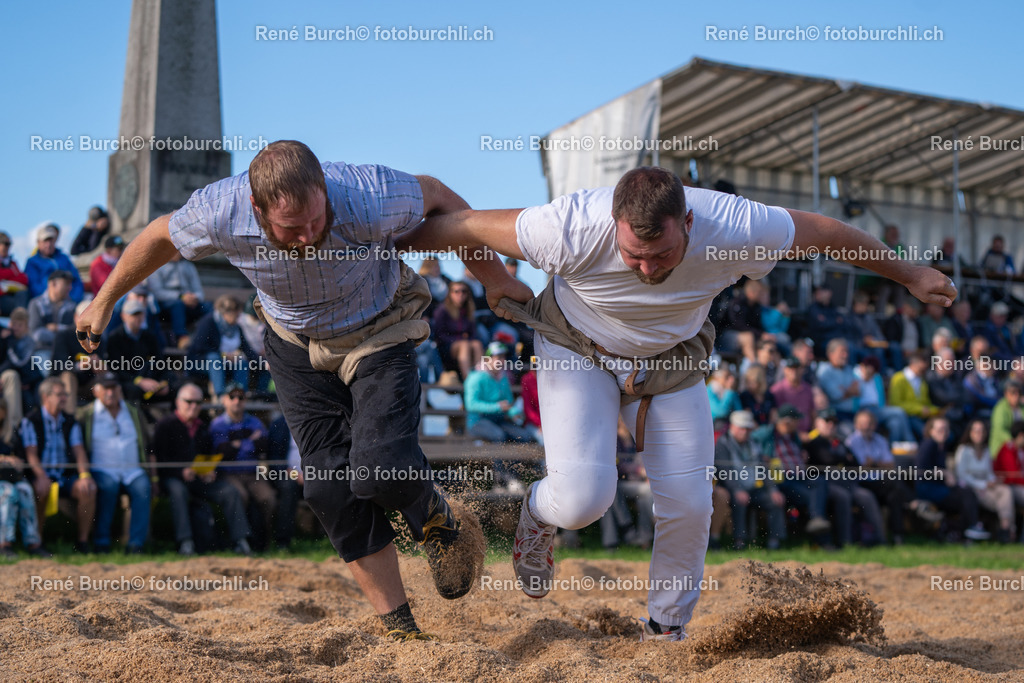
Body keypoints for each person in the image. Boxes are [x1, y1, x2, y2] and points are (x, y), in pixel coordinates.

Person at [400, 165, 956, 640]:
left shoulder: (736, 226)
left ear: (688, 221)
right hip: (578, 347)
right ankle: (539, 512)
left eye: (662, 254)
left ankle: (666, 626)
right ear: (613, 223)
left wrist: (910, 273)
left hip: (672, 358)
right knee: (583, 498)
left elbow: (827, 232)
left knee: (691, 503)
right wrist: (445, 265)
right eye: (634, 255)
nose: (648, 269)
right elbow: (458, 224)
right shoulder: (567, 226)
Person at [76, 140, 514, 639]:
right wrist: (104, 301)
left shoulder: (366, 192)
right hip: (295, 342)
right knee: (327, 487)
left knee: (380, 468)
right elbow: (160, 234)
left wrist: (494, 278)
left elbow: (440, 198)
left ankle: (435, 516)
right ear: (257, 209)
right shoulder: (222, 210)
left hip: (380, 327)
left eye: (316, 220)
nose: (307, 236)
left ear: (324, 189)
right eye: (290, 228)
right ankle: (401, 630)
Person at [151, 383, 251, 556]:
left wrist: (210, 472)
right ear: (178, 402)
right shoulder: (165, 425)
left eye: (198, 402)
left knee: (229, 491)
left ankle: (241, 541)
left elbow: (209, 455)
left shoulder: (203, 426)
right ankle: (185, 543)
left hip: (199, 480)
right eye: (189, 401)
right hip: (172, 479)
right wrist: (181, 472)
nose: (194, 406)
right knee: (178, 491)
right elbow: (158, 459)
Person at [78, 373, 153, 553]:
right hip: (102, 470)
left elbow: (147, 442)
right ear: (96, 391)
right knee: (108, 487)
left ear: (119, 389)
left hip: (132, 470)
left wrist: (152, 474)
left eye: (113, 388)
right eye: (106, 388)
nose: (110, 393)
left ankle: (136, 544)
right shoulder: (86, 414)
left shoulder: (133, 411)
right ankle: (102, 542)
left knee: (144, 487)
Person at [21, 377, 96, 552]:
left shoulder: (70, 421)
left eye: (65, 394)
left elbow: (79, 451)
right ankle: (37, 542)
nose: (64, 398)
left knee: (88, 489)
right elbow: (31, 454)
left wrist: (85, 476)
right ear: (45, 397)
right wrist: (41, 477)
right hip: (41, 475)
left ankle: (83, 542)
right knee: (41, 489)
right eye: (59, 394)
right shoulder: (31, 420)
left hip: (65, 476)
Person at [805, 408, 887, 546]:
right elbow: (827, 460)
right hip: (825, 484)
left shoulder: (839, 442)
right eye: (827, 421)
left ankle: (880, 539)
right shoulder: (814, 443)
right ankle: (845, 541)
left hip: (846, 482)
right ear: (817, 423)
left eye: (834, 422)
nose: (831, 425)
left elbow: (854, 464)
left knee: (866, 496)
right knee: (843, 497)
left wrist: (840, 459)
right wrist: (842, 458)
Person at [209, 383, 274, 550]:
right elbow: (223, 451)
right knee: (240, 496)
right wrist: (250, 441)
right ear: (224, 400)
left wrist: (236, 444)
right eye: (232, 397)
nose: (236, 401)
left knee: (268, 498)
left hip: (253, 473)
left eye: (240, 397)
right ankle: (239, 541)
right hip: (228, 474)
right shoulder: (217, 424)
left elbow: (263, 445)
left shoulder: (255, 421)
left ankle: (263, 544)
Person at [713, 410, 785, 550]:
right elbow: (724, 471)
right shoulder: (722, 443)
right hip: (730, 488)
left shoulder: (753, 444)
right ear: (732, 427)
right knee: (739, 500)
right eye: (742, 428)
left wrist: (773, 489)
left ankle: (775, 542)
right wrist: (737, 489)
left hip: (752, 488)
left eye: (747, 428)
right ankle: (739, 541)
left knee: (775, 500)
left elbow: (762, 469)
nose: (745, 432)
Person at [844, 409, 915, 544]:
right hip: (862, 482)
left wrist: (874, 463)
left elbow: (890, 465)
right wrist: (877, 464)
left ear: (874, 425)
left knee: (895, 494)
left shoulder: (880, 440)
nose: (866, 427)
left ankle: (897, 535)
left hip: (882, 482)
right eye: (863, 423)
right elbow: (861, 468)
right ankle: (912, 502)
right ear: (856, 425)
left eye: (869, 423)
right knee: (894, 484)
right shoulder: (852, 442)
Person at [915, 416, 988, 542]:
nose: (943, 432)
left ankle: (968, 529)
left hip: (939, 487)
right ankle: (968, 529)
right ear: (931, 431)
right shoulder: (929, 444)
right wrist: (944, 473)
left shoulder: (941, 446)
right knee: (964, 496)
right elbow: (921, 471)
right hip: (927, 488)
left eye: (946, 429)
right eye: (940, 429)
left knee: (966, 492)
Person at [0, 397, 50, 558]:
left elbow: (22, 456)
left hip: (11, 477)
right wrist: (4, 459)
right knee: (9, 493)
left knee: (26, 491)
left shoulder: (11, 432)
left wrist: (17, 461)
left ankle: (33, 542)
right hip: (3, 483)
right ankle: (4, 543)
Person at [955, 419, 1015, 543]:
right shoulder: (963, 450)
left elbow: (989, 473)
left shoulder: (987, 450)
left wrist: (994, 481)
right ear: (970, 432)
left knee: (1006, 490)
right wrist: (983, 484)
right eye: (976, 431)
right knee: (1003, 501)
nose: (979, 434)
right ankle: (1008, 530)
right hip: (971, 488)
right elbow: (962, 475)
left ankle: (1005, 528)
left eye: (982, 431)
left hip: (987, 487)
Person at [188, 295, 257, 395]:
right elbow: (200, 347)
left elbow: (247, 349)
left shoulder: (237, 328)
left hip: (226, 364)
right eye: (236, 315)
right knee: (214, 358)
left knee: (242, 363)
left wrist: (264, 363)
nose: (238, 319)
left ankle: (240, 394)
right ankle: (220, 395)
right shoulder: (208, 322)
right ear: (227, 312)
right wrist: (224, 355)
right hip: (201, 364)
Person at [104, 298, 170, 403]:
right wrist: (139, 381)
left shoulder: (149, 336)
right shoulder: (115, 338)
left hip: (149, 381)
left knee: (172, 385)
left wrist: (163, 382)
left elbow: (159, 362)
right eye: (134, 314)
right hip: (128, 382)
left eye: (140, 314)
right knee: (133, 390)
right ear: (123, 316)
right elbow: (116, 368)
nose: (138, 318)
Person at [146, 251, 209, 347]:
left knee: (209, 307)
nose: (176, 252)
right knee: (178, 305)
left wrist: (194, 298)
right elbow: (157, 293)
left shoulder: (189, 266)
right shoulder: (157, 266)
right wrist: (180, 296)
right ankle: (181, 338)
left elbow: (199, 291)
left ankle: (207, 338)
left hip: (189, 303)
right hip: (166, 305)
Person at [432, 281, 483, 380]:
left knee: (477, 344)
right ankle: (468, 380)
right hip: (446, 346)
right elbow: (440, 335)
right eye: (456, 291)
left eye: (464, 291)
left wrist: (466, 339)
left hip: (465, 343)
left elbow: (473, 333)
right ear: (450, 293)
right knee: (464, 345)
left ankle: (480, 378)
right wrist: (459, 339)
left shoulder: (468, 310)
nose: (460, 294)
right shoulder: (442, 310)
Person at [24, 223, 84, 302]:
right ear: (38, 242)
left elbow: (77, 281)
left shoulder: (64, 258)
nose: (48, 244)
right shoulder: (32, 262)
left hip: (70, 301)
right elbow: (34, 288)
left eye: (51, 240)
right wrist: (54, 296)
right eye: (45, 241)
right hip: (46, 302)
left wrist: (74, 298)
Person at [27, 270, 76, 357]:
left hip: (66, 352)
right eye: (66, 283)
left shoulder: (71, 306)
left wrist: (56, 328)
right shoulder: (36, 304)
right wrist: (63, 335)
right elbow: (36, 334)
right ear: (53, 284)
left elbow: (75, 332)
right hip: (42, 350)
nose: (70, 287)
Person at [993, 420, 1024, 542]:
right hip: (1008, 486)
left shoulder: (1021, 450)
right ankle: (1011, 533)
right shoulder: (1007, 449)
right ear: (1020, 435)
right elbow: (1012, 476)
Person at [990, 381, 1024, 458]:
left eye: (1019, 392)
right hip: (1002, 447)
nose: (1016, 395)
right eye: (1013, 392)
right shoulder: (1000, 408)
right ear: (1006, 394)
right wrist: (1014, 441)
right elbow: (999, 430)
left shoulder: (1022, 407)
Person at [0, 230, 30, 316]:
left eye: (9, 244)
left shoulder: (12, 263)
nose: (7, 247)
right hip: (2, 299)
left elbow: (23, 279)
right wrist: (12, 273)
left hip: (13, 297)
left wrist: (5, 281)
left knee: (24, 294)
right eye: (5, 244)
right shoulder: (12, 268)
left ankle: (20, 317)